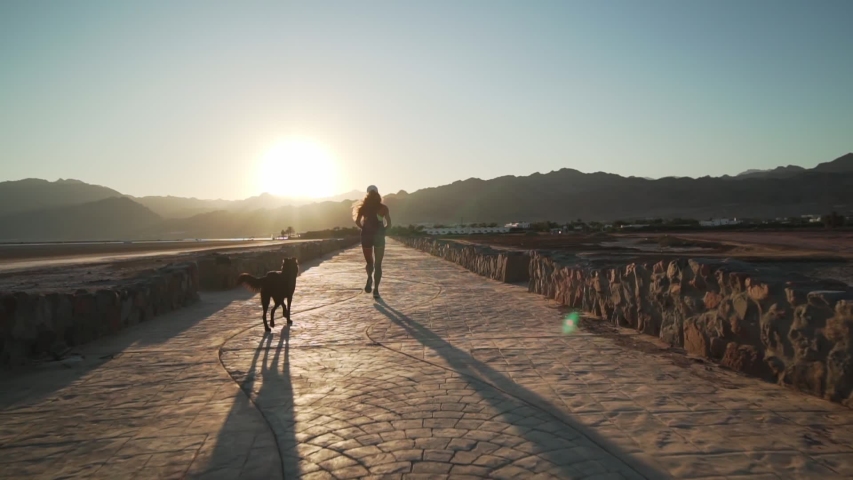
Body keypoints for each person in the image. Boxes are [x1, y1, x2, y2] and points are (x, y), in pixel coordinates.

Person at [353, 185, 391, 298]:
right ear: (378, 193)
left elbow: (357, 222)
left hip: (366, 236)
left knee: (369, 263)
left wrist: (364, 228)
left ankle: (369, 277)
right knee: (378, 264)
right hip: (379, 236)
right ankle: (376, 290)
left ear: (367, 194)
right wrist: (382, 230)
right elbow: (389, 224)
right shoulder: (383, 208)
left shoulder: (363, 208)